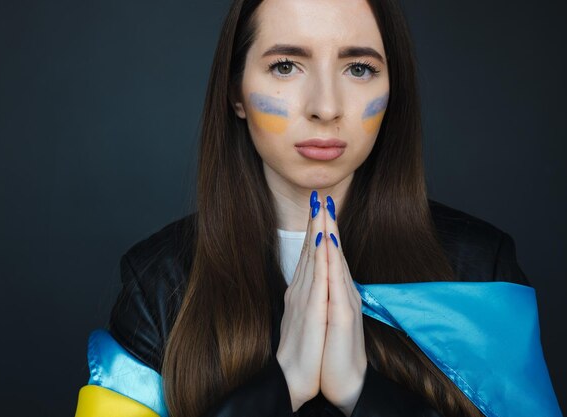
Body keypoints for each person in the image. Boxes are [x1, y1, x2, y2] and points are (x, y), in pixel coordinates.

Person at [74, 0, 561, 416]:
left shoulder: (480, 273)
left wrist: (361, 392)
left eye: (359, 68)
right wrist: (282, 384)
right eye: (286, 65)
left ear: (394, 90)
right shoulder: (158, 285)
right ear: (235, 90)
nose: (325, 107)